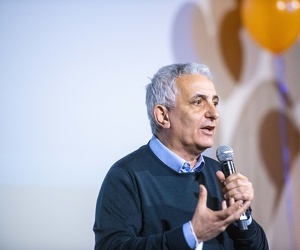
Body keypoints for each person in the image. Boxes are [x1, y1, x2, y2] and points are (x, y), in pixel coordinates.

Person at [93, 63, 268, 249]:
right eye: (198, 102)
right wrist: (191, 235)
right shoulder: (126, 176)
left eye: (214, 102)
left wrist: (243, 216)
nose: (214, 113)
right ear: (163, 116)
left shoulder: (218, 173)